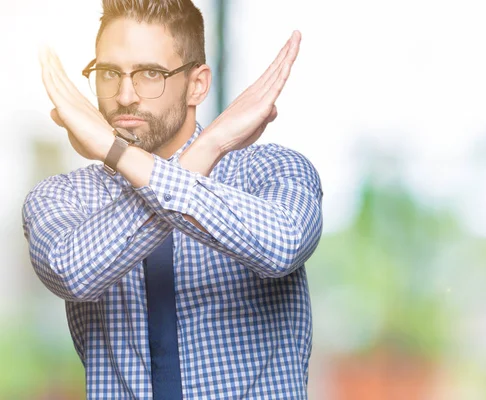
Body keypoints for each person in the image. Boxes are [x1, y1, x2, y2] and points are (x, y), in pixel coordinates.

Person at [22, 0, 323, 398]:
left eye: (150, 74)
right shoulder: (62, 196)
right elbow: (71, 272)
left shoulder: (270, 170)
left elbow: (283, 244)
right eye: (110, 73)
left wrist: (117, 153)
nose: (125, 95)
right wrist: (204, 152)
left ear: (197, 84)